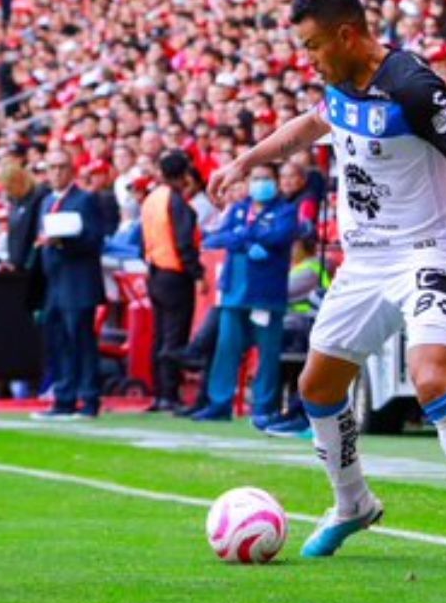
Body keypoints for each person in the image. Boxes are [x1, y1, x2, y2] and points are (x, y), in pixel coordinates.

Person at [209, 0, 446, 574]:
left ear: (348, 35)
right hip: (366, 261)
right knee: (317, 390)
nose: (308, 58)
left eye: (313, 46)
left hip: (426, 252)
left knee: (430, 378)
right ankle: (353, 504)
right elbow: (313, 124)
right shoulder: (339, 80)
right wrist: (248, 160)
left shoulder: (411, 86)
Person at [193, 163, 299, 426]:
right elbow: (215, 238)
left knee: (267, 353)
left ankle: (263, 408)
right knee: (226, 348)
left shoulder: (286, 211)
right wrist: (250, 240)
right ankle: (219, 404)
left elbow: (278, 237)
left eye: (266, 178)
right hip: (234, 293)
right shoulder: (239, 209)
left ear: (276, 181)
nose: (260, 183)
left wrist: (241, 236)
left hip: (267, 294)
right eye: (256, 178)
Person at [31, 149, 107, 420]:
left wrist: (63, 241)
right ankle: (63, 397)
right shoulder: (46, 202)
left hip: (78, 282)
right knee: (58, 341)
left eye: (61, 167)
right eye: (51, 167)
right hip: (55, 283)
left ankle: (88, 399)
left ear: (72, 170)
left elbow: (94, 239)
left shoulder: (85, 200)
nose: (56, 173)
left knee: (81, 341)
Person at [141, 150, 204, 413]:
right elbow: (184, 242)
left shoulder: (152, 198)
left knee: (160, 335)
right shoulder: (176, 202)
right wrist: (198, 273)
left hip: (155, 270)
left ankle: (159, 391)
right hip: (175, 273)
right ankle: (169, 392)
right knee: (174, 335)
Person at [262, 236, 331, 438]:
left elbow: (281, 291)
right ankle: (287, 412)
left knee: (290, 370)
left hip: (304, 326)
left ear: (301, 245)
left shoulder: (312, 267)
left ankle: (292, 413)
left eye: (293, 245)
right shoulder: (300, 266)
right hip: (298, 324)